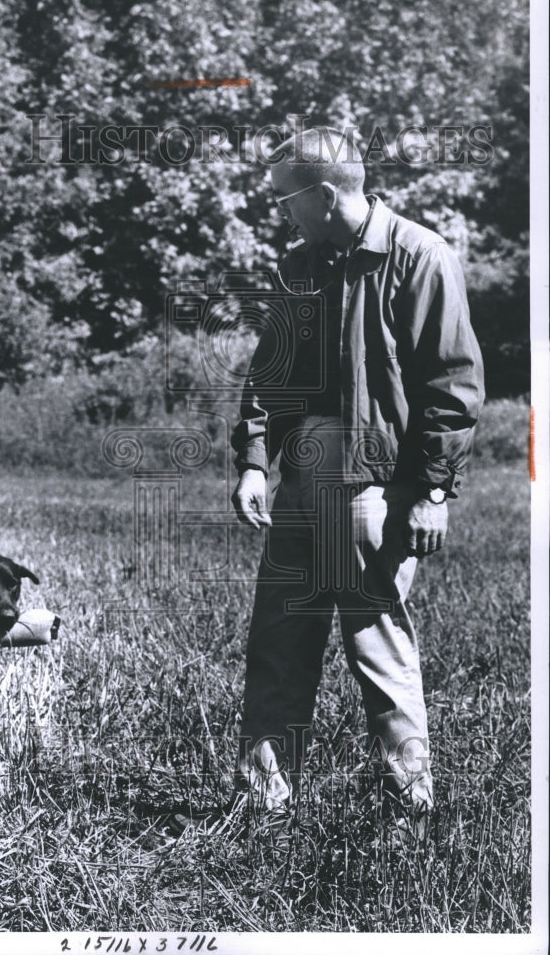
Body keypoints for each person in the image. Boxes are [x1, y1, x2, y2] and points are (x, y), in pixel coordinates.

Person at [172, 126, 485, 834]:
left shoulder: (420, 257)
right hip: (300, 487)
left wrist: (433, 491)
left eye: (284, 198)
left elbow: (452, 387)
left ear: (323, 193)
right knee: (278, 639)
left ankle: (407, 808)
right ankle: (263, 803)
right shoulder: (299, 264)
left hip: (376, 486)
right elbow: (272, 373)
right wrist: (254, 459)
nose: (279, 211)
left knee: (376, 642)